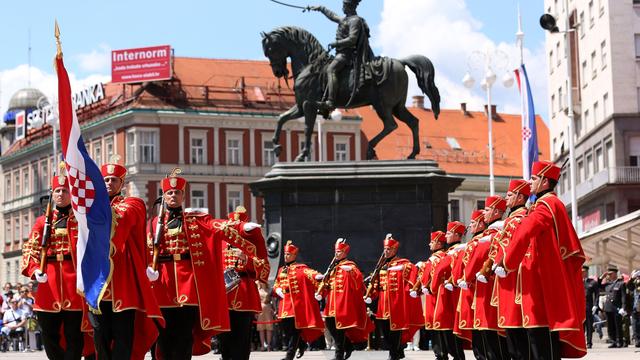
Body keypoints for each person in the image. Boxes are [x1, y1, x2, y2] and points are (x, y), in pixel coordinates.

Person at [146, 171, 263, 359]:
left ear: (183, 196)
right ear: (164, 196)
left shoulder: (195, 221)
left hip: (188, 284)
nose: (173, 196)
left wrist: (241, 228)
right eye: (169, 193)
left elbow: (218, 226)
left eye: (177, 193)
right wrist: (148, 268)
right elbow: (147, 247)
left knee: (184, 335)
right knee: (164, 335)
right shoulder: (154, 223)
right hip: (163, 284)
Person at [499, 160, 587, 358]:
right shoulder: (544, 204)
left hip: (544, 279)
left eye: (534, 178)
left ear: (545, 182)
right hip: (541, 278)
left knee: (541, 342)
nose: (529, 182)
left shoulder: (547, 204)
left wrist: (507, 261)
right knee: (536, 341)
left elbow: (526, 230)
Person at [88, 156, 164, 360]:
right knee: (100, 338)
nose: (109, 183)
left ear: (122, 183)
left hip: (123, 284)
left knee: (123, 338)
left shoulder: (133, 204)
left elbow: (122, 219)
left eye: (114, 179)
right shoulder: (88, 208)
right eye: (106, 179)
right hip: (97, 285)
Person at [20, 164, 87, 359]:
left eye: (65, 191)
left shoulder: (81, 219)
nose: (61, 194)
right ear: (52, 193)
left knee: (74, 334)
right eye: (57, 190)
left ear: (71, 193)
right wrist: (34, 271)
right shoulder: (42, 221)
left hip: (74, 284)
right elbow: (29, 248)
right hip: (48, 283)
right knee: (49, 333)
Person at [218, 206, 270, 360]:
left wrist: (246, 259)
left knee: (241, 340)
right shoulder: (221, 239)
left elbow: (264, 267)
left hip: (244, 292)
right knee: (225, 340)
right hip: (224, 293)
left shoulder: (253, 239)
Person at [486, 180, 531, 360]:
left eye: (510, 195)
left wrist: (500, 263)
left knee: (518, 336)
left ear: (520, 197)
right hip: (506, 279)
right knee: (512, 335)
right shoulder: (512, 219)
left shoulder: (519, 218)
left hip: (515, 279)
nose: (507, 198)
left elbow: (511, 247)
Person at [461, 196, 508, 360]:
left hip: (487, 289)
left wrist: (466, 278)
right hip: (496, 288)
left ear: (496, 211)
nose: (484, 213)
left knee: (489, 338)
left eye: (487, 210)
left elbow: (475, 260)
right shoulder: (503, 230)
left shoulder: (489, 235)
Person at [308, 0, 374, 111]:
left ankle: (330, 101)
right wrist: (320, 8)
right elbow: (332, 16)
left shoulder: (355, 21)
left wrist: (336, 43)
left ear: (350, 6)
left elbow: (352, 40)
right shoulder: (345, 19)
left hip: (347, 55)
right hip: (340, 53)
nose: (342, 7)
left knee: (331, 70)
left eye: (344, 5)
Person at [365, 234, 421, 360]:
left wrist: (403, 268)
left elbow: (411, 268)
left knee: (395, 331)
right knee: (385, 331)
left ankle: (394, 354)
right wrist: (371, 293)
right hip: (382, 304)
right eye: (385, 249)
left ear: (395, 250)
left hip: (395, 303)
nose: (386, 251)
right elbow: (377, 283)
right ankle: (397, 351)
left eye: (389, 249)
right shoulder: (381, 265)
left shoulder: (402, 263)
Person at [315, 238, 371, 360]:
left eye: (339, 251)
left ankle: (338, 355)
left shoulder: (350, 265)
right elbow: (328, 283)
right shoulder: (333, 267)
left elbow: (358, 280)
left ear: (345, 253)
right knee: (330, 326)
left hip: (342, 303)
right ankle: (348, 345)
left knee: (339, 330)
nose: (337, 253)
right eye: (336, 251)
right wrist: (321, 292)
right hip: (331, 304)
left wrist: (351, 272)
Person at [273, 241, 324, 360]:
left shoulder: (300, 268)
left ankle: (289, 355)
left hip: (294, 303)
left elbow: (310, 273)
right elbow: (276, 283)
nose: (286, 256)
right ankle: (301, 344)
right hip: (283, 303)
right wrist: (277, 289)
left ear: (294, 256)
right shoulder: (281, 270)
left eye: (288, 254)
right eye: (285, 254)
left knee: (294, 330)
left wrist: (317, 276)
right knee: (286, 330)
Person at [429, 222, 467, 360]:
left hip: (452, 294)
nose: (446, 236)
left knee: (451, 330)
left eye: (449, 233)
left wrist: (432, 286)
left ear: (457, 235)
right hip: (445, 294)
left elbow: (439, 272)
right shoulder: (449, 252)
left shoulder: (458, 251)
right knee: (446, 329)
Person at [455, 210, 488, 360]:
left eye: (473, 223)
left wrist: (466, 278)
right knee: (477, 335)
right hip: (470, 290)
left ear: (481, 224)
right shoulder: (473, 241)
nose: (471, 227)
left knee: (485, 336)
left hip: (480, 289)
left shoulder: (483, 239)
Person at [414, 231, 447, 359]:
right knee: (434, 328)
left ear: (439, 243)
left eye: (432, 242)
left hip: (438, 296)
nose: (429, 244)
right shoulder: (434, 258)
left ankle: (441, 354)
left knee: (439, 328)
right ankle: (439, 354)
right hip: (431, 296)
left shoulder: (440, 257)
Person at [603, 265, 626, 348]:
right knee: (610, 326)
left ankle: (619, 341)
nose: (609, 275)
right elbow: (597, 285)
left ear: (615, 274)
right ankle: (613, 341)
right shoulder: (607, 284)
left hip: (617, 308)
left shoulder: (621, 283)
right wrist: (603, 276)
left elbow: (623, 296)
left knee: (617, 325)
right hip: (608, 308)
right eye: (608, 274)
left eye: (610, 274)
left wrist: (623, 307)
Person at [583, 265, 599, 349]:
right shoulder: (577, 281)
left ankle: (589, 343)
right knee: (581, 327)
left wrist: (596, 305)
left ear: (587, 272)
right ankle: (581, 343)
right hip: (579, 308)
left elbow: (597, 294)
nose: (582, 273)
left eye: (584, 272)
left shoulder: (592, 282)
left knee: (589, 326)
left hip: (589, 307)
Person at [257, 282, 275, 351]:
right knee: (261, 328)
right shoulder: (258, 289)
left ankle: (269, 346)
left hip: (268, 308)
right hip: (260, 309)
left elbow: (272, 299)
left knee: (269, 328)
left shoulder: (269, 289)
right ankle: (262, 345)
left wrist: (275, 309)